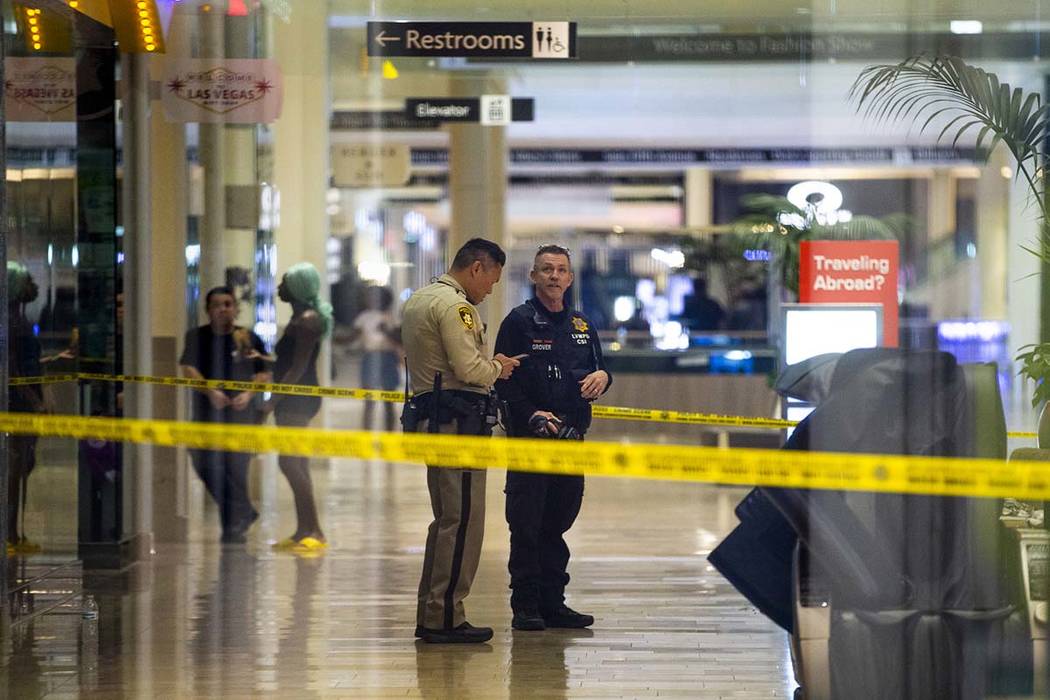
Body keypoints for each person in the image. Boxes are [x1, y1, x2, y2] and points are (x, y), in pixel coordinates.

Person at [401, 238, 521, 644]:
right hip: (459, 424)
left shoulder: (420, 299)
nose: (490, 289)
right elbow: (469, 368)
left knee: (446, 519)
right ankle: (446, 616)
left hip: (434, 419)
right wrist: (498, 367)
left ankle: (434, 611)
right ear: (476, 268)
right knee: (463, 521)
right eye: (491, 279)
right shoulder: (458, 308)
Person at [494, 244, 612, 631]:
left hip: (571, 439)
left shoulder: (581, 325)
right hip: (531, 441)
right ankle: (525, 606)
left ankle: (553, 603)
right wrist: (530, 415)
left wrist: (605, 378)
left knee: (558, 522)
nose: (554, 276)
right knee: (527, 525)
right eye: (546, 269)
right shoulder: (518, 322)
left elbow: (598, 370)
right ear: (533, 276)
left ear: (571, 278)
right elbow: (503, 381)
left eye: (561, 270)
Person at [179, 286, 269, 544]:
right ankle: (244, 510)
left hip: (241, 417)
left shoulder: (247, 338)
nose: (223, 309)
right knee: (202, 462)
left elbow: (262, 373)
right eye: (217, 305)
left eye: (228, 304)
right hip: (207, 415)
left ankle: (234, 527)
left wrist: (248, 394)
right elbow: (188, 367)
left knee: (237, 470)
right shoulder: (197, 337)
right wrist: (210, 391)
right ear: (208, 310)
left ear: (235, 308)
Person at [260, 262, 332, 554]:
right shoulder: (299, 318)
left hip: (298, 399)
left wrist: (271, 401)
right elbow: (286, 363)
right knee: (295, 462)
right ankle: (304, 529)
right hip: (291, 396)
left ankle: (315, 530)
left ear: (298, 288)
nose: (279, 288)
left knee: (290, 463)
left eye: (285, 283)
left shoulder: (307, 321)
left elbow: (298, 369)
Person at [6, 263, 46, 555]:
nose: (34, 286)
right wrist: (35, 401)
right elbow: (13, 370)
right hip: (17, 404)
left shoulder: (19, 319)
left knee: (21, 467)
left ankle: (13, 533)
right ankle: (8, 533)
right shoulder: (10, 322)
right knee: (14, 469)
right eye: (28, 280)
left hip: (25, 399)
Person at [349, 285, 401, 431]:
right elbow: (353, 335)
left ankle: (389, 434)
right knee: (369, 400)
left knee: (389, 400)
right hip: (370, 357)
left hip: (388, 357)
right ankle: (366, 434)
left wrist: (387, 331)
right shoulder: (364, 317)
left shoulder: (392, 317)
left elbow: (399, 339)